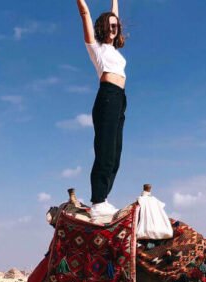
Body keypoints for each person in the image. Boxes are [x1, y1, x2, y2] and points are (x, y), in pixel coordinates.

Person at [76, 0, 127, 223]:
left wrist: (115, 1)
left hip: (120, 99)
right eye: (111, 25)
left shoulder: (115, 50)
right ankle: (98, 201)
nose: (115, 28)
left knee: (115, 154)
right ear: (103, 27)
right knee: (105, 151)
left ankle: (104, 198)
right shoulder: (95, 47)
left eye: (117, 25)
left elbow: (115, 13)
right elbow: (84, 13)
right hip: (106, 96)